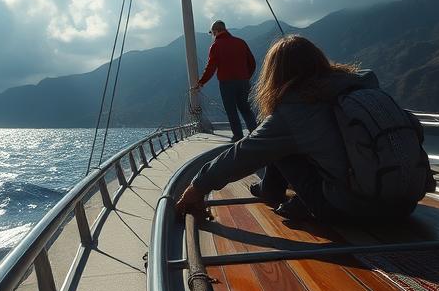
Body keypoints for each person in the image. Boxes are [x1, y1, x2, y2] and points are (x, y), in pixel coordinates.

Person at [176, 35, 422, 223]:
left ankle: (270, 191)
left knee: (276, 146)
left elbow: (245, 154)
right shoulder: (359, 88)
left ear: (275, 74)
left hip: (355, 210)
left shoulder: (297, 108)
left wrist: (197, 187)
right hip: (406, 203)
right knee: (288, 141)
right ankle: (273, 190)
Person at [191, 20, 257, 138]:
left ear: (215, 31)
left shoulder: (216, 46)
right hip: (243, 82)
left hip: (227, 83)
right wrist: (246, 77)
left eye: (212, 33)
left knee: (231, 110)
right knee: (246, 108)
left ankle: (238, 136)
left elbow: (211, 68)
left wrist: (201, 82)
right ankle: (256, 134)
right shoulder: (241, 42)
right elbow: (252, 63)